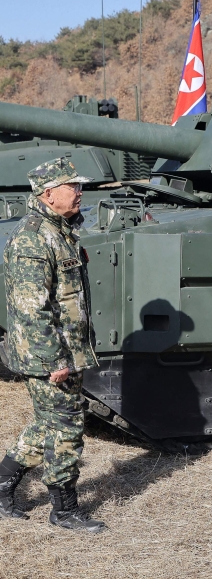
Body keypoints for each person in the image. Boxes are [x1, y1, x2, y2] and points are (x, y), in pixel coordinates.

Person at [0, 157, 104, 533]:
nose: (79, 192)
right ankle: (64, 509)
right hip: (49, 357)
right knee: (67, 427)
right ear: (48, 195)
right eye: (72, 186)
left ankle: (2, 485)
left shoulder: (58, 231)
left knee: (49, 423)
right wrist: (55, 359)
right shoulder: (34, 238)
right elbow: (32, 310)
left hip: (63, 352)